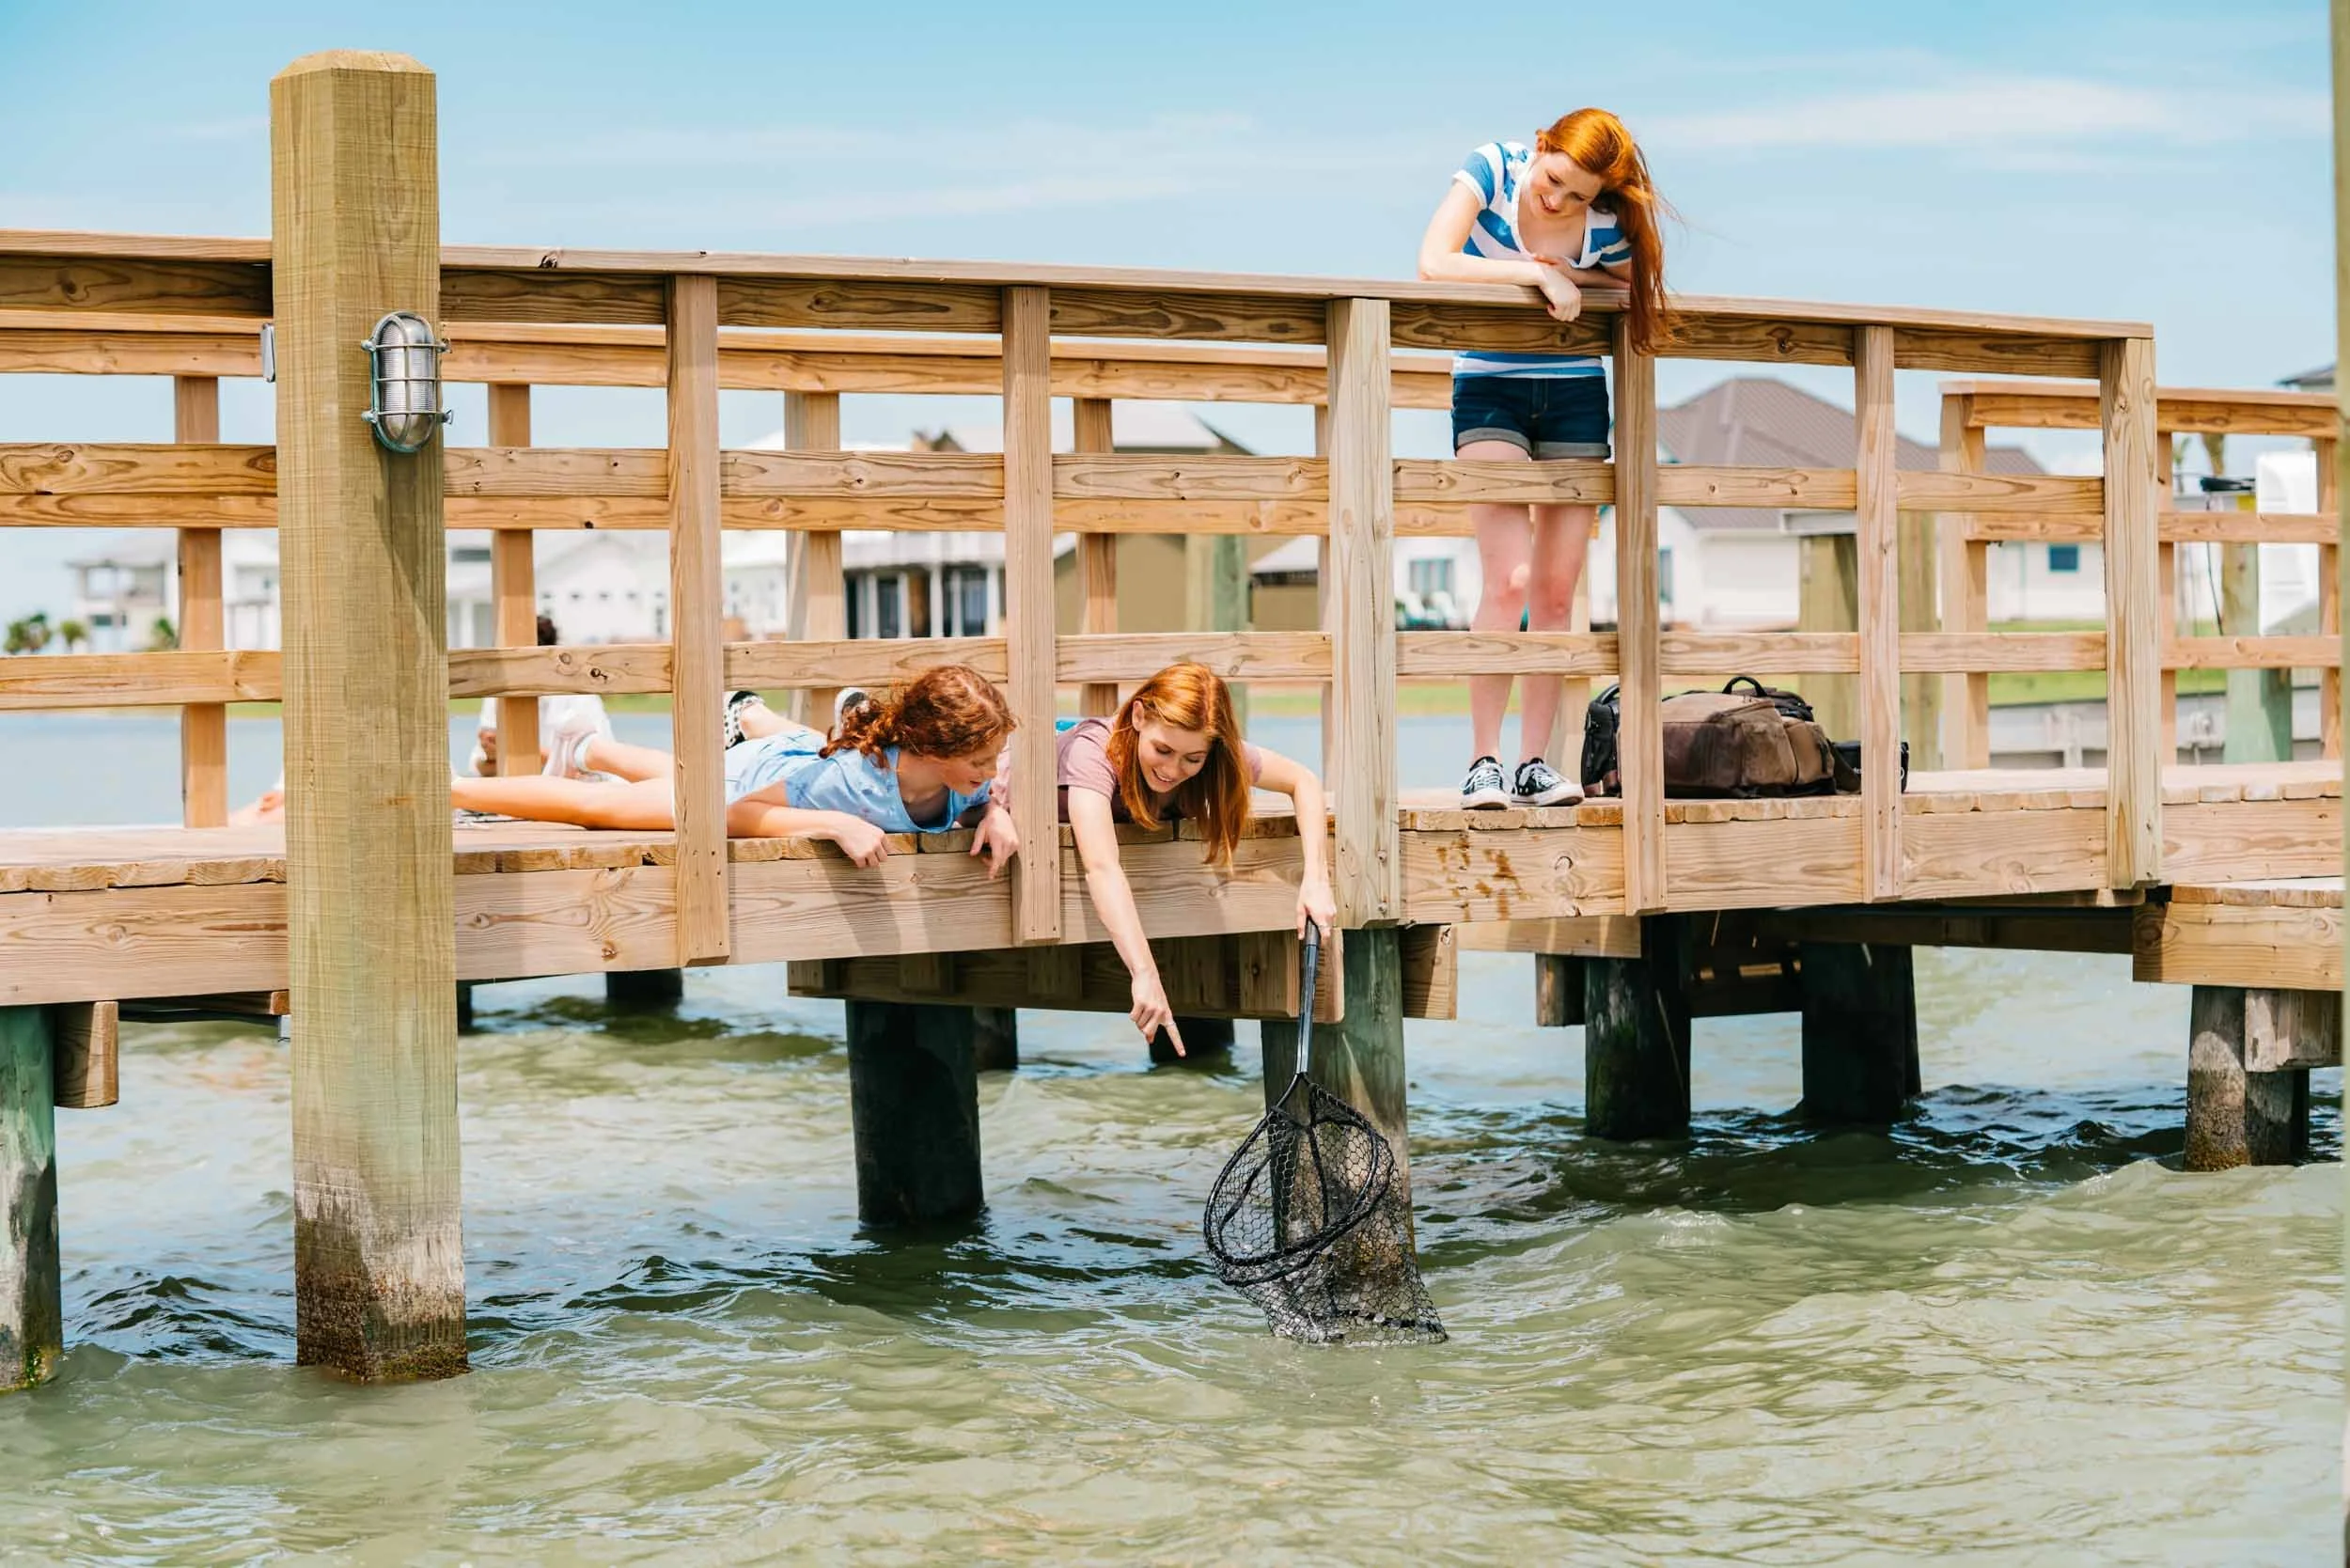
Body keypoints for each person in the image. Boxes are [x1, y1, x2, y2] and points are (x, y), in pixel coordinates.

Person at [1415, 107, 1671, 809]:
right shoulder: (1493, 169)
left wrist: (1577, 279)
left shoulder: (1604, 225)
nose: (1558, 200)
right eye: (1555, 180)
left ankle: (1533, 761)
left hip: (1576, 397)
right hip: (1488, 392)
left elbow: (1632, 290)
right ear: (1541, 148)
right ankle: (1483, 761)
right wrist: (1538, 276)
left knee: (1557, 593)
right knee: (1510, 580)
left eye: (1579, 196)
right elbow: (1434, 261)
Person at [450, 663, 1021, 873]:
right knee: (601, 811)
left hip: (785, 762)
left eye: (993, 758)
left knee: (663, 777)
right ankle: (451, 790)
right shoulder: (848, 785)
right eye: (979, 761)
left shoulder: (968, 781)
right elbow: (740, 814)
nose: (991, 769)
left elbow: (980, 795)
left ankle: (588, 749)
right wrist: (833, 824)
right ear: (931, 747)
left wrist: (994, 810)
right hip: (739, 785)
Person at [1055, 663, 1334, 1057]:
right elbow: (1102, 867)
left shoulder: (1214, 752)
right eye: (1162, 750)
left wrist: (1315, 880)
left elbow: (1303, 780)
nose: (1172, 770)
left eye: (1192, 759)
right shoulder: (1093, 754)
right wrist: (1145, 974)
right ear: (1138, 716)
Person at [470, 613, 612, 778]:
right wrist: (493, 755)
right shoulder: (497, 693)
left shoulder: (578, 696)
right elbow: (481, 768)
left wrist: (513, 749)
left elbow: (592, 766)